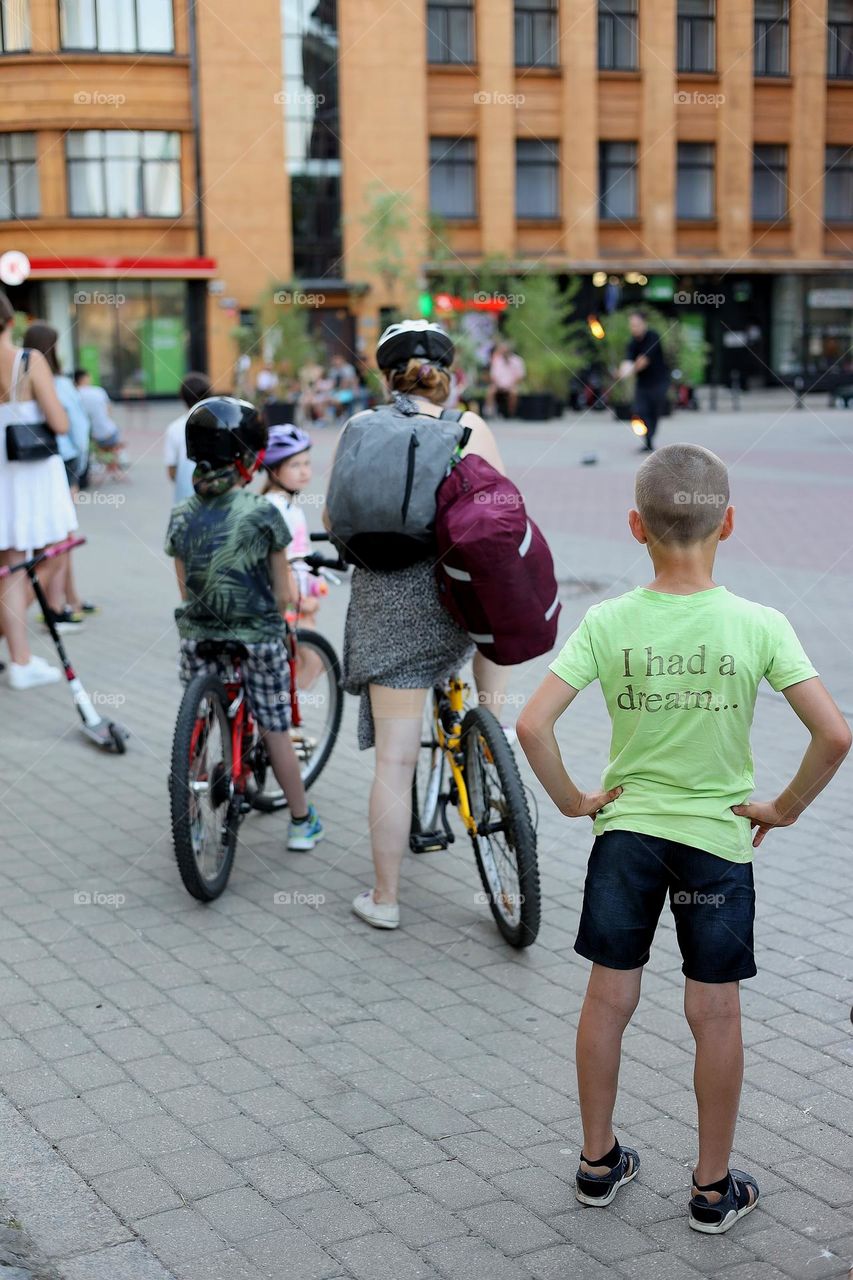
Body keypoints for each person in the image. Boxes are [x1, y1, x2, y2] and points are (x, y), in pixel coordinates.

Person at [517, 443, 851, 1234]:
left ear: (634, 527)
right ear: (728, 523)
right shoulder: (758, 623)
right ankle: (710, 1189)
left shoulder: (608, 621)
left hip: (626, 837)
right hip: (717, 843)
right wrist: (784, 807)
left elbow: (531, 724)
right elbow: (833, 736)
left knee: (608, 998)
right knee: (716, 1013)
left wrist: (573, 801)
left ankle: (597, 1166)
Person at [324, 319, 509, 931]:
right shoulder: (470, 427)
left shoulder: (358, 428)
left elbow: (333, 518)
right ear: (449, 375)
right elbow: (501, 517)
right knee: (492, 608)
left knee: (394, 766)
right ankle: (492, 732)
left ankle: (385, 899)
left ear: (384, 376)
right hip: (456, 606)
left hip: (387, 616)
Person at [164, 396, 323, 852]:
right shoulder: (262, 513)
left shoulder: (180, 515)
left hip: (198, 635)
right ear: (248, 460)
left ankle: (191, 817)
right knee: (275, 726)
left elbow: (184, 590)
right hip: (257, 637)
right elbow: (285, 594)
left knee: (197, 721)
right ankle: (299, 821)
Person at [0, 291, 74, 689]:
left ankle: (18, 653)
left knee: (10, 561)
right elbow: (59, 423)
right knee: (54, 552)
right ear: (11, 322)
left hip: (2, 475)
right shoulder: (30, 361)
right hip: (31, 474)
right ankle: (20, 658)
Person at [22, 324, 93, 628]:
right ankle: (57, 606)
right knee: (62, 539)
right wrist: (83, 462)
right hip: (62, 463)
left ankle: (67, 600)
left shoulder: (18, 377)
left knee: (48, 540)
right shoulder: (59, 384)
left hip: (31, 464)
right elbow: (75, 428)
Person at [260, 425, 324, 627]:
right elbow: (283, 562)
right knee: (310, 656)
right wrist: (300, 601)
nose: (304, 471)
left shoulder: (288, 504)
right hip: (290, 601)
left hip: (298, 595)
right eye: (295, 465)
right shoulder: (276, 507)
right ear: (274, 470)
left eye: (307, 463)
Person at [620, 310, 670, 451]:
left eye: (636, 324)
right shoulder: (632, 342)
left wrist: (629, 371)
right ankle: (647, 438)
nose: (633, 328)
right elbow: (627, 361)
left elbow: (643, 361)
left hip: (659, 382)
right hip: (643, 383)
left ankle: (649, 440)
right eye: (632, 325)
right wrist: (622, 371)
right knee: (639, 411)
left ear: (644, 324)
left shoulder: (653, 337)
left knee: (653, 412)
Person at [164, 371, 213, 505]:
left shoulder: (174, 428)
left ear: (182, 398)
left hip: (185, 501)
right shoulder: (219, 424)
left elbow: (171, 472)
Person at [73, 369, 126, 477]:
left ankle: (101, 464)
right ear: (85, 378)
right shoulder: (98, 391)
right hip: (109, 434)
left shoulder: (75, 394)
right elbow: (109, 411)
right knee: (113, 433)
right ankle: (115, 467)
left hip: (91, 439)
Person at [486, 341, 525, 418]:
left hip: (512, 385)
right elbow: (493, 376)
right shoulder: (497, 361)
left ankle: (511, 413)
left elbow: (520, 377)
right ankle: (490, 412)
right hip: (498, 385)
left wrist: (511, 385)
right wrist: (498, 385)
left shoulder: (517, 361)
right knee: (490, 391)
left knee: (514, 392)